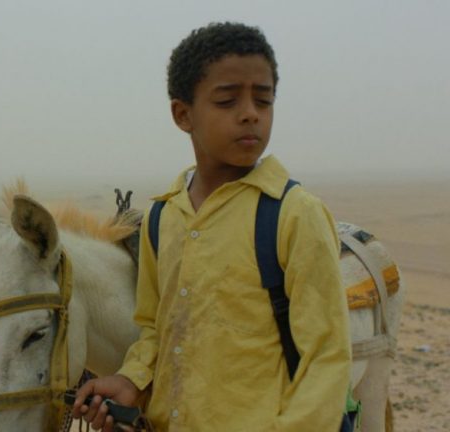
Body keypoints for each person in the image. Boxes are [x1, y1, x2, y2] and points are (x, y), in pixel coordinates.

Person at [72, 22, 351, 431]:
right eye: (227, 101)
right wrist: (132, 380)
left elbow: (326, 358)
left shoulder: (292, 214)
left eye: (264, 99)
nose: (250, 114)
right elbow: (154, 326)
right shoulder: (161, 218)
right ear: (183, 114)